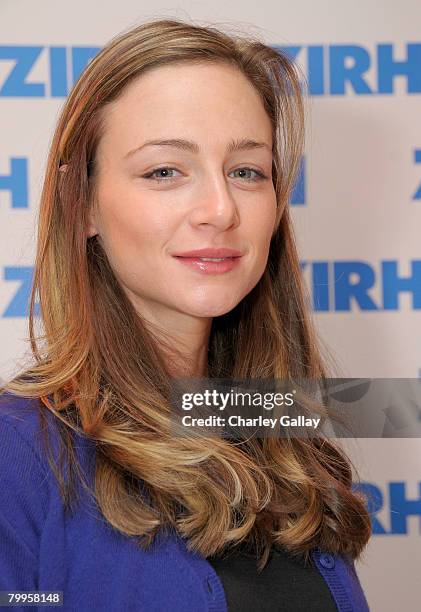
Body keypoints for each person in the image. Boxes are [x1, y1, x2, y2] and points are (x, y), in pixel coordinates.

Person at [0, 18, 371, 611]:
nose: (220, 208)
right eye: (165, 171)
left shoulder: (282, 430)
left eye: (246, 171)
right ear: (82, 203)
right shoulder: (17, 452)